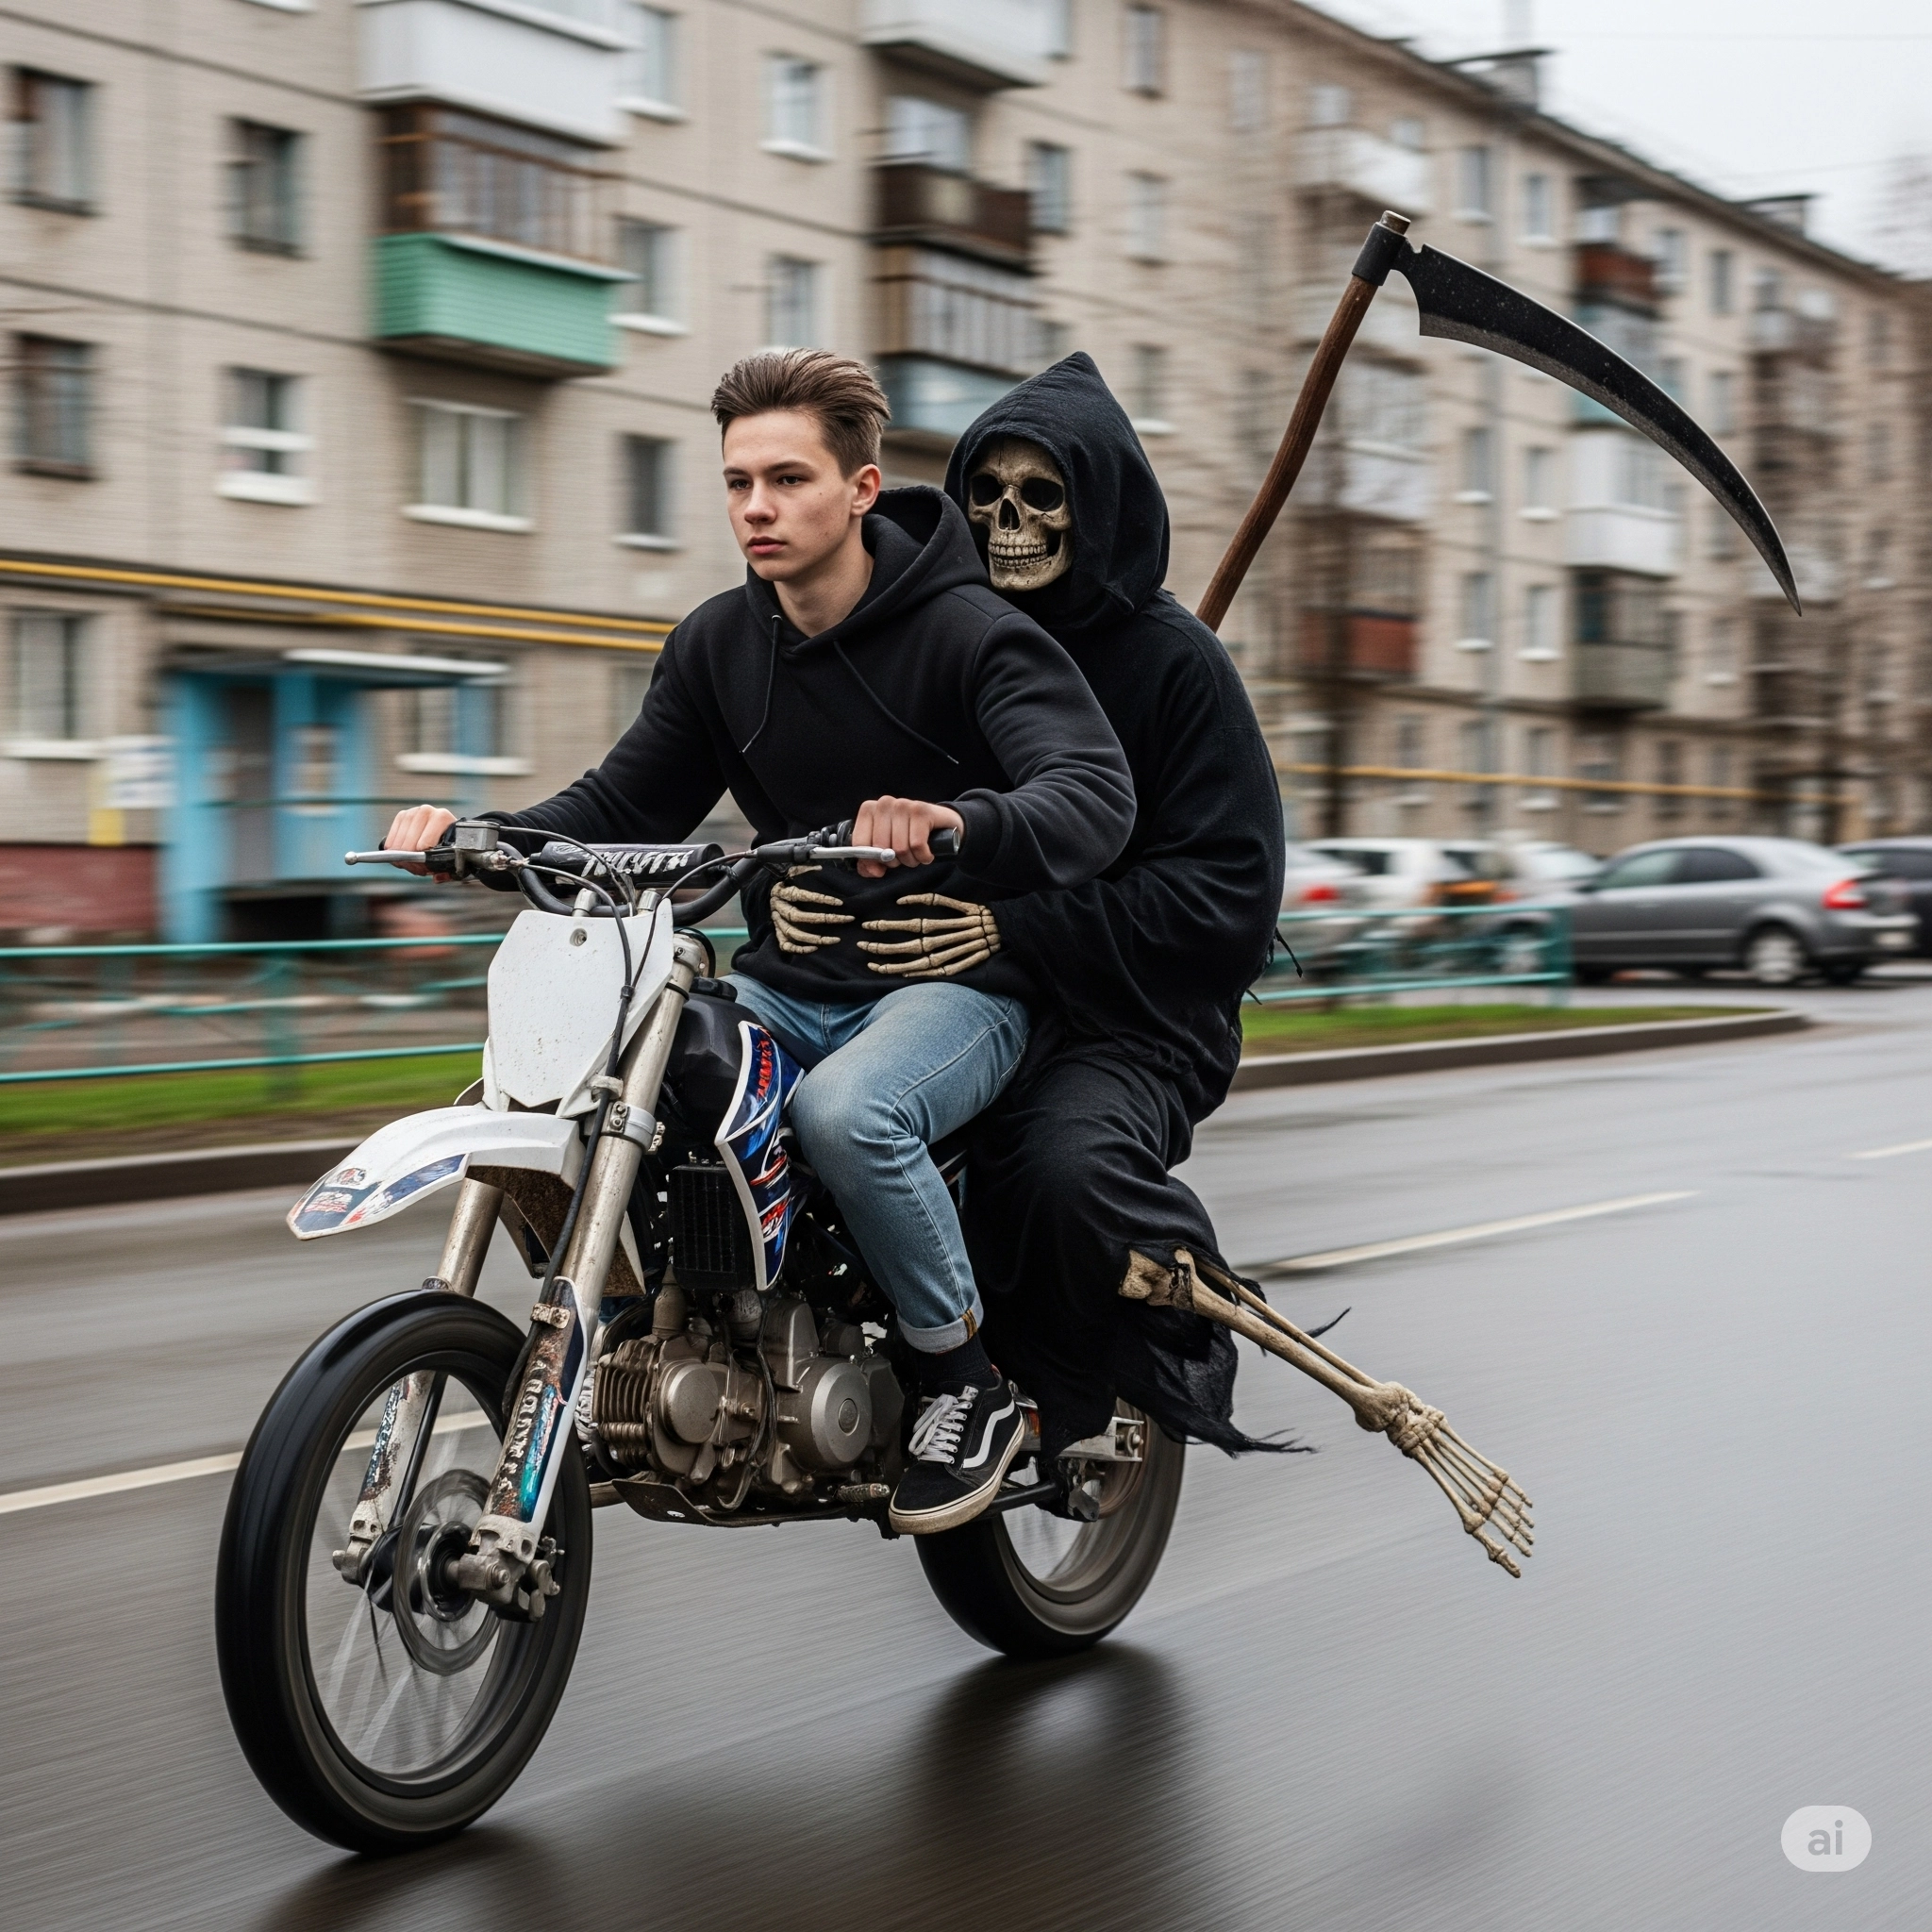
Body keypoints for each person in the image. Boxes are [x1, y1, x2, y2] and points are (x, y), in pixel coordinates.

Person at [381, 350, 1136, 1534]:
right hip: (790, 983)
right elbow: (622, 806)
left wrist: (957, 823)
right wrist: (481, 835)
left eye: (787, 479)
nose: (756, 507)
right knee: (598, 1078)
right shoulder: (718, 645)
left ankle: (962, 1375)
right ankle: (641, 1329)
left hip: (953, 987)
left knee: (848, 1112)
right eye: (737, 481)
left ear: (862, 487)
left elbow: (1091, 793)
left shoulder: (972, 633)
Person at [922, 353, 1289, 1466]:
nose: (1006, 522)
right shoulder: (951, 637)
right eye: (984, 494)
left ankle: (1143, 1327)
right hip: (955, 994)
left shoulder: (1178, 668)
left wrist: (1025, 926)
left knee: (1056, 1170)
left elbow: (1226, 891)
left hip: (1131, 1020)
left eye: (1041, 496)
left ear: (1100, 508)